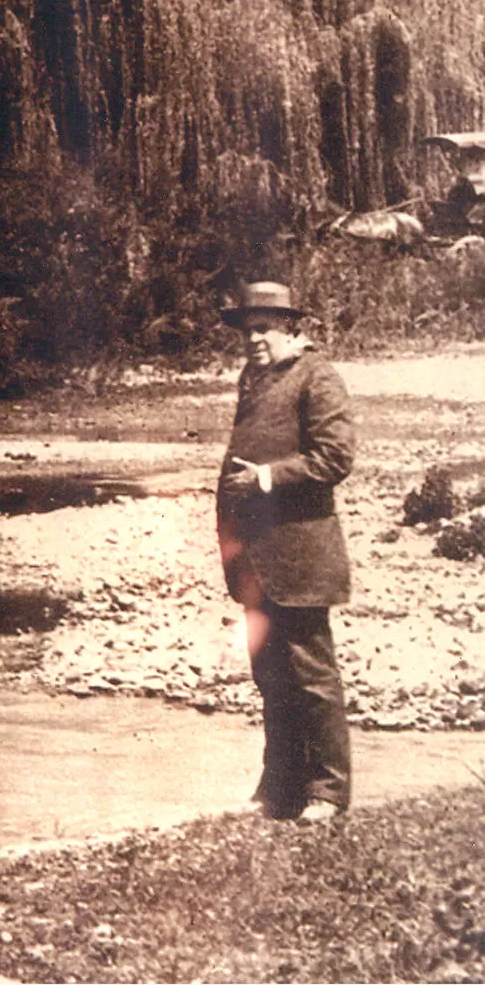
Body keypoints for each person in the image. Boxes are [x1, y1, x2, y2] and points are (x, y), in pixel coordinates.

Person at [217, 280, 355, 823]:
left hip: (300, 553)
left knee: (312, 676)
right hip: (256, 557)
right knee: (270, 675)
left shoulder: (317, 375)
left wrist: (269, 478)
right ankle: (279, 789)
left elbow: (335, 458)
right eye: (247, 330)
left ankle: (328, 792)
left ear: (291, 327)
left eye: (264, 328)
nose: (253, 339)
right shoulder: (253, 377)